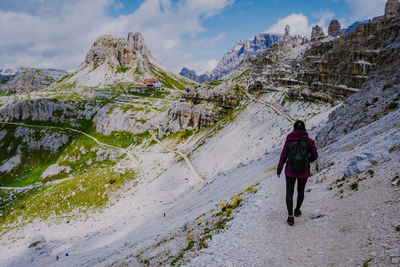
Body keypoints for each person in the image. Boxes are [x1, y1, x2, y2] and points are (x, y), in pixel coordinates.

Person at [277, 120, 318, 226]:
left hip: (290, 170)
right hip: (304, 170)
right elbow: (315, 155)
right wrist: (307, 161)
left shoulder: (289, 140)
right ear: (304, 129)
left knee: (289, 192)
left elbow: (283, 155)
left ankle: (290, 217)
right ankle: (297, 210)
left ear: (294, 128)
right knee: (301, 191)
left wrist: (279, 169)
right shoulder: (308, 141)